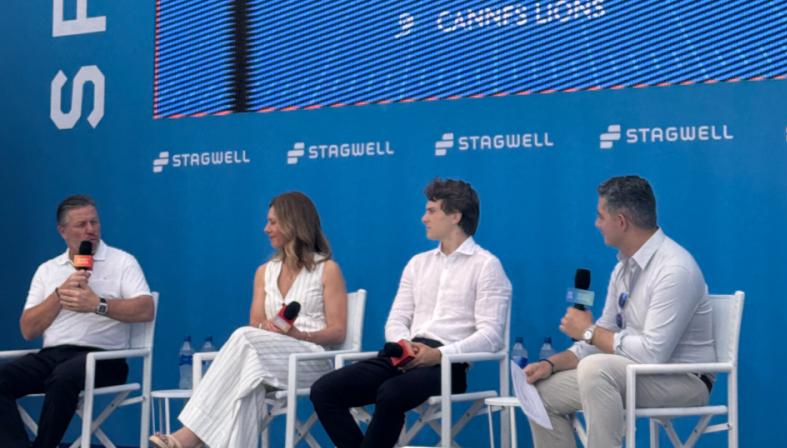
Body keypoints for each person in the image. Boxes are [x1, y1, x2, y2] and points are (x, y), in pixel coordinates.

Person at [310, 178, 512, 448]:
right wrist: (404, 344)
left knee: (391, 392)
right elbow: (397, 318)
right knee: (324, 390)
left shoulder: (487, 265)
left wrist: (439, 354)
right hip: (402, 354)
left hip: (448, 363)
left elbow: (491, 336)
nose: (423, 218)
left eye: (431, 211)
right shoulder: (417, 263)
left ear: (455, 215)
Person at [525, 175, 715, 447]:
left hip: (682, 379)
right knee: (542, 392)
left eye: (601, 216)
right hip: (633, 371)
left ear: (622, 221)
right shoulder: (623, 269)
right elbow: (601, 339)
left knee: (596, 368)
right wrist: (550, 364)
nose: (596, 224)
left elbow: (652, 353)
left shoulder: (674, 269)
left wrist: (589, 332)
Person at [149, 191, 347, 448]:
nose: (266, 229)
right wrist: (269, 327)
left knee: (244, 339)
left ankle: (186, 437)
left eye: (273, 222)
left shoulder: (327, 269)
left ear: (294, 223)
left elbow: (338, 331)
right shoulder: (264, 272)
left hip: (311, 361)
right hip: (266, 359)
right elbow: (256, 323)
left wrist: (299, 335)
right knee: (249, 380)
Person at [0, 195, 154, 448]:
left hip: (104, 358)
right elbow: (28, 330)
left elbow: (146, 309)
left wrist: (97, 304)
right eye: (81, 224)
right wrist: (59, 295)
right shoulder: (47, 270)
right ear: (63, 231)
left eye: (94, 222)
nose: (91, 230)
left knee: (63, 377)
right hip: (52, 355)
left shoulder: (123, 261)